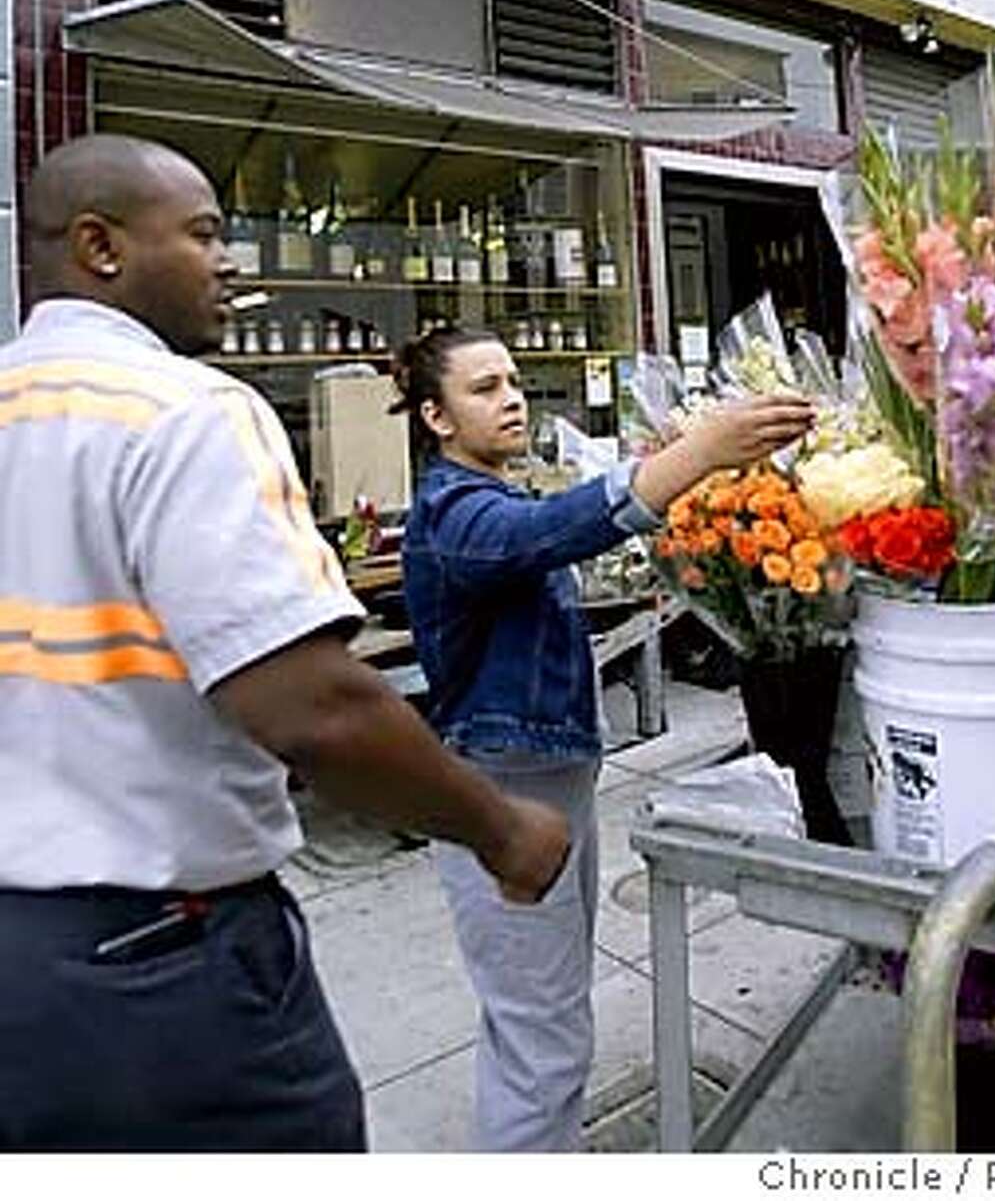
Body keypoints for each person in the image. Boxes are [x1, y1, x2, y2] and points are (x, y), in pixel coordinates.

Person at [0, 135, 570, 1153]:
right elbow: (312, 705)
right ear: (100, 245)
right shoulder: (186, 411)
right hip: (162, 968)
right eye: (206, 233)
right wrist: (500, 829)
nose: (233, 262)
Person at [397, 324, 813, 1152]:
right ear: (436, 417)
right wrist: (699, 452)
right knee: (541, 1039)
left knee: (542, 1019)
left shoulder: (500, 496)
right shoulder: (453, 514)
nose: (511, 397)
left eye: (514, 380)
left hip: (549, 783)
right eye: (483, 388)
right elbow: (557, 531)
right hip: (499, 797)